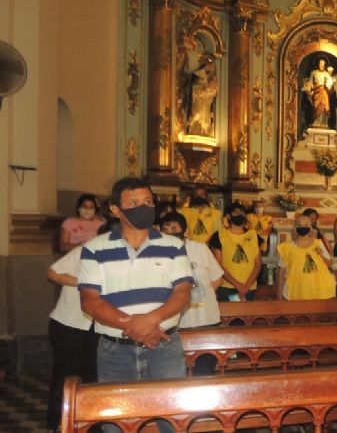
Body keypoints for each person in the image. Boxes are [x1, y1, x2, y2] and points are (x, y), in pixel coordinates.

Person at [78, 178, 192, 431]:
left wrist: (150, 321)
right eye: (134, 203)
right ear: (116, 209)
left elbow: (182, 294)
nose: (144, 207)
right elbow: (89, 300)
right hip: (115, 352)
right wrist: (134, 327)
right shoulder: (94, 249)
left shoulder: (173, 245)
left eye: (148, 201)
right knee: (117, 424)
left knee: (173, 422)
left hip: (164, 346)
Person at [159, 212, 223, 375]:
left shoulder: (200, 249)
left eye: (174, 228)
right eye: (165, 229)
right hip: (176, 326)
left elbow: (216, 278)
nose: (170, 232)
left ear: (185, 231)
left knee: (204, 372)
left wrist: (200, 296)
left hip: (206, 321)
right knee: (176, 373)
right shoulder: (158, 254)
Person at [45, 241, 99, 431]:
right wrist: (82, 283)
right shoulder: (84, 251)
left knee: (93, 376)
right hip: (69, 323)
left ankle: (91, 423)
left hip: (98, 326)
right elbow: (52, 272)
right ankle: (58, 422)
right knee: (65, 375)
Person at [209, 203, 262, 301]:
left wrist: (246, 286)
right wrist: (239, 286)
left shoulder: (254, 235)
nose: (240, 215)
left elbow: (258, 265)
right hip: (226, 288)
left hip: (249, 288)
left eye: (242, 213)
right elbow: (218, 265)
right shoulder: (219, 235)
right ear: (228, 216)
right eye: (236, 213)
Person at [276, 215, 336, 300]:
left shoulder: (318, 244)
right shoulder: (287, 248)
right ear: (295, 228)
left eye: (306, 225)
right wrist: (279, 296)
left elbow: (330, 264)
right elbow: (281, 274)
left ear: (311, 228)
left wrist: (321, 255)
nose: (303, 227)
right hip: (296, 291)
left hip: (319, 292)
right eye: (299, 225)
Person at [303, 56, 335, 128]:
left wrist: (331, 83)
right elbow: (310, 82)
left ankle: (324, 123)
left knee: (324, 106)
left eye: (323, 64)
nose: (322, 65)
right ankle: (316, 122)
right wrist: (308, 89)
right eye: (321, 63)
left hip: (324, 91)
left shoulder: (326, 74)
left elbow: (330, 83)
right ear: (318, 64)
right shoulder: (314, 73)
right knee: (316, 106)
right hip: (316, 91)